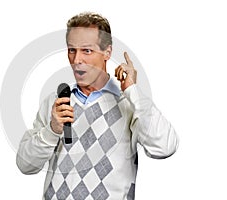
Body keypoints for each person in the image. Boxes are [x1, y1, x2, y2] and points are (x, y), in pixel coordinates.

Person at [16, 12, 179, 200]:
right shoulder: (57, 103)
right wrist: (52, 130)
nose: (77, 60)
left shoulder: (129, 103)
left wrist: (133, 90)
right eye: (71, 50)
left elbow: (165, 147)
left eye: (87, 51)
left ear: (107, 52)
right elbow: (25, 165)